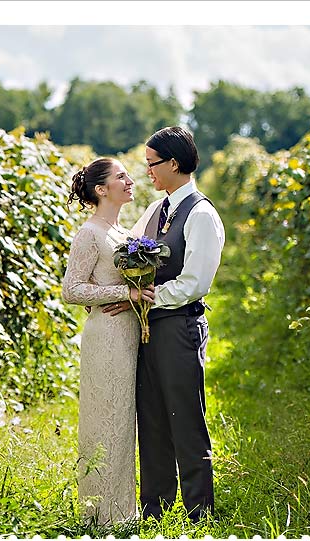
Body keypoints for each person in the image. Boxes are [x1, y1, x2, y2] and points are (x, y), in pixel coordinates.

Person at [104, 126, 225, 521]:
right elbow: (128, 248)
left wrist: (150, 297)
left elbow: (195, 281)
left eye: (152, 164)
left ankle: (199, 511)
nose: (148, 173)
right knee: (152, 417)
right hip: (148, 327)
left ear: (174, 163)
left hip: (178, 327)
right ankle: (155, 508)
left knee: (185, 417)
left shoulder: (202, 214)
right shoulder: (158, 210)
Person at [61, 157, 155, 525]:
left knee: (123, 419)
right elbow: (72, 289)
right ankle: (100, 515)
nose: (131, 181)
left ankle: (122, 510)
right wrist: (126, 293)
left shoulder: (124, 233)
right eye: (121, 177)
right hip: (106, 336)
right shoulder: (90, 233)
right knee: (106, 418)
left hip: (129, 334)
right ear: (101, 190)